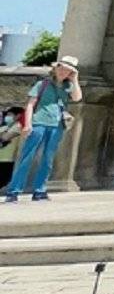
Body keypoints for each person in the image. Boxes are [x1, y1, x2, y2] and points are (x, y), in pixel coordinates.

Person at [4, 55, 81, 202]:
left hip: (56, 125)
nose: (63, 72)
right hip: (38, 122)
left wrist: (75, 79)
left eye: (67, 70)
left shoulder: (67, 86)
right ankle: (13, 191)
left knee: (48, 159)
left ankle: (40, 190)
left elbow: (77, 98)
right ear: (56, 67)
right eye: (61, 68)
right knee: (27, 157)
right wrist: (27, 124)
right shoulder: (42, 84)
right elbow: (30, 105)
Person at [0, 107, 22, 190]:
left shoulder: (17, 126)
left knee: (4, 180)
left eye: (10, 115)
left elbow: (5, 138)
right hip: (3, 159)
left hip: (8, 159)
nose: (6, 117)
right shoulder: (5, 127)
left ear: (18, 116)